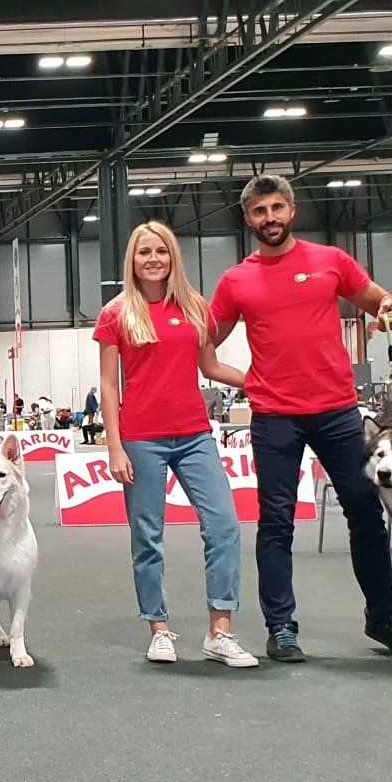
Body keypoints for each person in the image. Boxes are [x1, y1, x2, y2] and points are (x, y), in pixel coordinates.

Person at [209, 175, 392, 663]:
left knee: (366, 515)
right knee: (276, 525)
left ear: (292, 210)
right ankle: (281, 627)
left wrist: (390, 313)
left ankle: (384, 617)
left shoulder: (331, 261)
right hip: (274, 418)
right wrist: (247, 382)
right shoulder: (236, 280)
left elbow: (389, 308)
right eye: (260, 211)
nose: (270, 218)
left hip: (338, 412)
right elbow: (203, 348)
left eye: (276, 208)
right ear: (248, 219)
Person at [97, 222, 258, 668]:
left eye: (161, 251)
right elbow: (108, 386)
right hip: (140, 439)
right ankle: (159, 629)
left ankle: (219, 631)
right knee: (147, 537)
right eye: (144, 252)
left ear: (173, 257)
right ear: (132, 260)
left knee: (224, 527)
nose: (153, 259)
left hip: (194, 436)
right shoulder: (115, 313)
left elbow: (211, 366)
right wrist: (114, 447)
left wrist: (260, 383)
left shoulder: (194, 307)